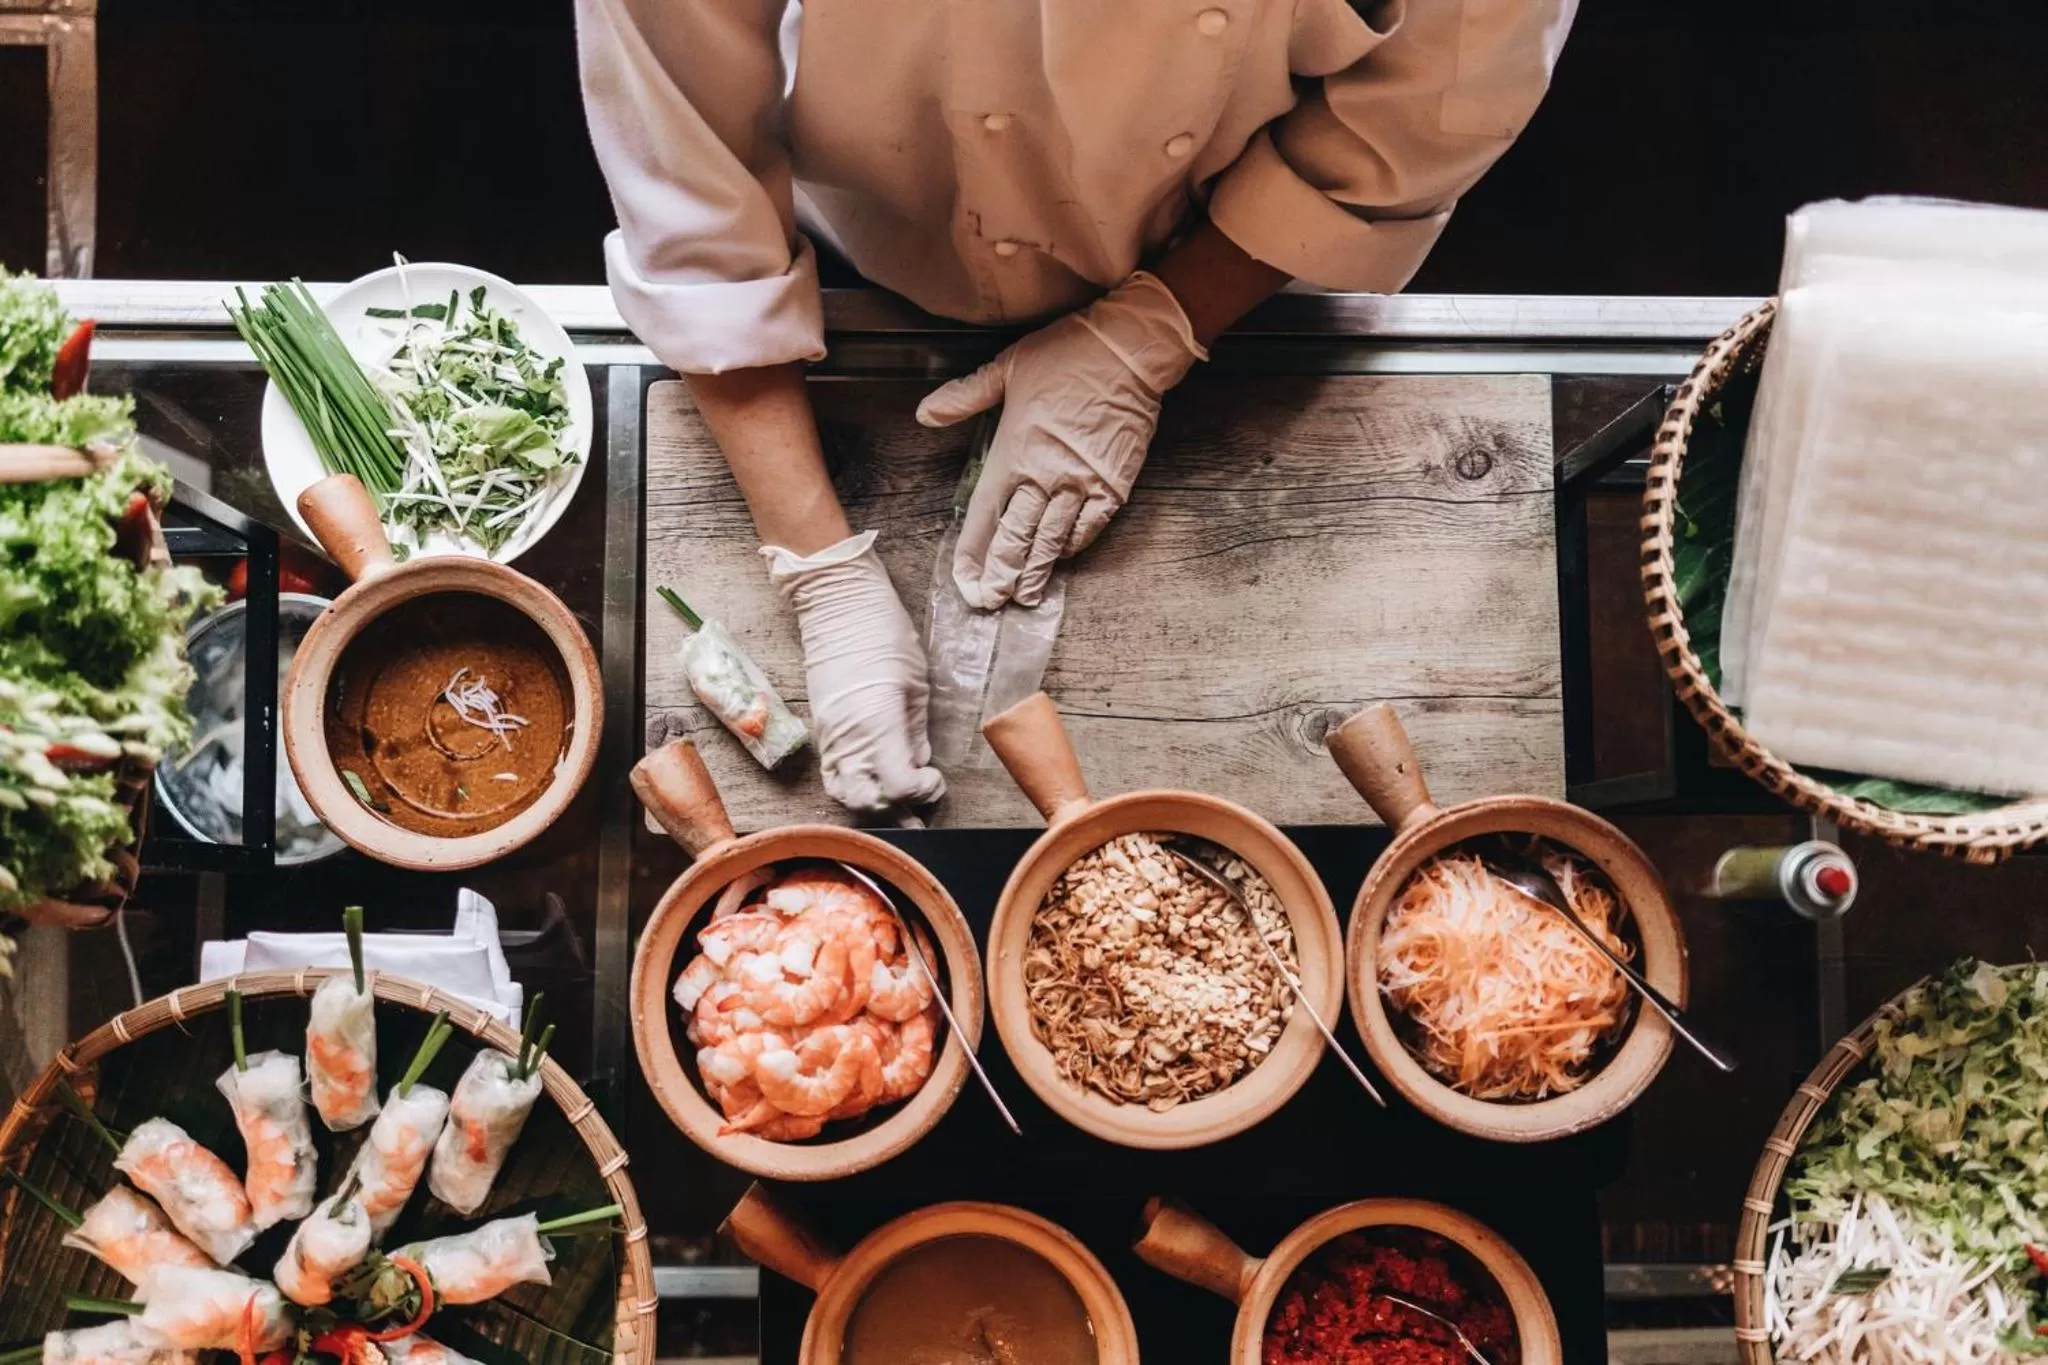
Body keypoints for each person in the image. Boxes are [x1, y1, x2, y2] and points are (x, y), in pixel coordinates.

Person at [577, 0, 1576, 812]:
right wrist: (820, 572)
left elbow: (1436, 93)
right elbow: (687, 168)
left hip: (1228, 233)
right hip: (870, 220)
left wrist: (1159, 324)